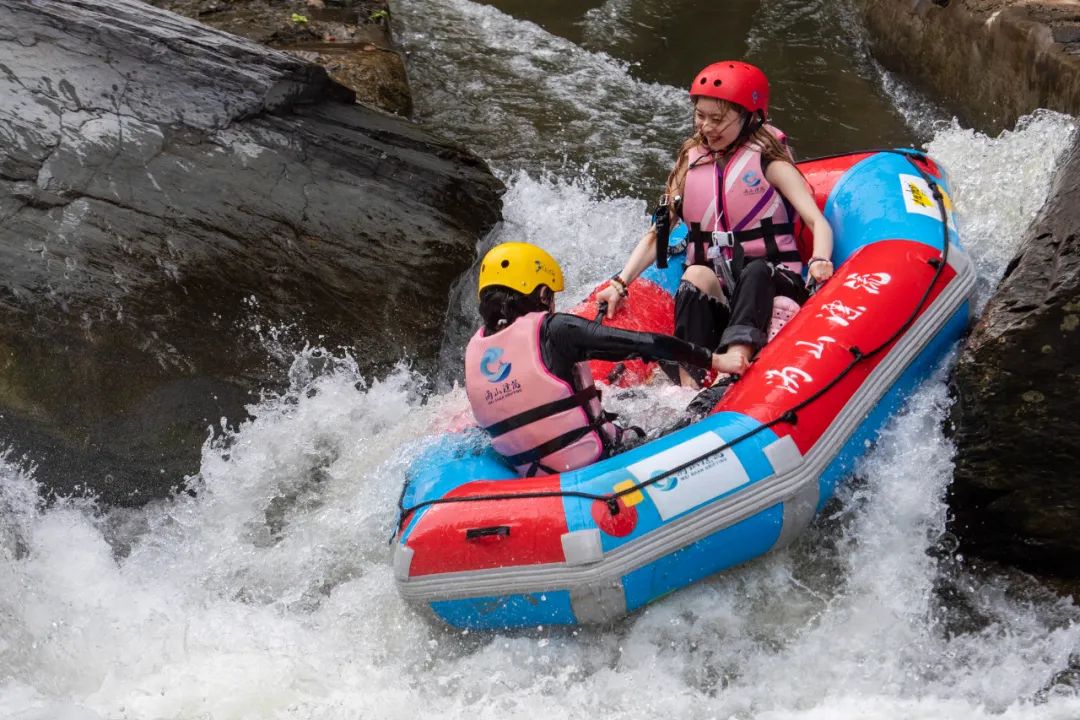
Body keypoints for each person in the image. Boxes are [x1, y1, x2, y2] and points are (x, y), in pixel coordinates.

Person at [597, 60, 835, 387]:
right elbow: (659, 233)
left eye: (718, 119)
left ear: (751, 116)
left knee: (755, 269)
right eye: (700, 116)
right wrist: (619, 283)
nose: (707, 127)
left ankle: (731, 371)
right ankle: (688, 387)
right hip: (727, 294)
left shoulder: (768, 159)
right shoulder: (692, 160)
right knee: (695, 273)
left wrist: (820, 259)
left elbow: (815, 220)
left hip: (774, 283)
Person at [465, 242, 747, 477]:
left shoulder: (475, 355)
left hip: (538, 479)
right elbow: (648, 344)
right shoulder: (555, 330)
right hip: (600, 463)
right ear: (542, 295)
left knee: (625, 402)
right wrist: (715, 362)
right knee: (706, 402)